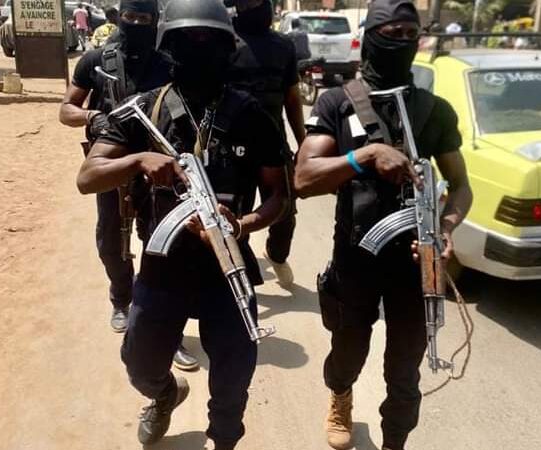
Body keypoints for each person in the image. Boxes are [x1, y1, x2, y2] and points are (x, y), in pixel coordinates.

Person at [76, 0, 288, 447]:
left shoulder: (251, 115)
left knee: (234, 376)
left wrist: (244, 224)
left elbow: (278, 197)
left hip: (227, 268)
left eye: (209, 38)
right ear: (167, 46)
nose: (199, 47)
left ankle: (224, 438)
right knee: (140, 363)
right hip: (162, 267)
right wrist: (138, 159)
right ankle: (164, 394)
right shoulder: (143, 110)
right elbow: (87, 178)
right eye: (186, 38)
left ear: (227, 47)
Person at [294, 1, 473, 449]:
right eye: (390, 31)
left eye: (410, 32)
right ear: (370, 37)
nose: (401, 40)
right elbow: (303, 177)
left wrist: (446, 228)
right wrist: (363, 156)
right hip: (356, 255)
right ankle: (341, 395)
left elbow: (461, 186)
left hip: (415, 262)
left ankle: (395, 440)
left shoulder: (434, 110)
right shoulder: (337, 101)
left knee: (404, 367)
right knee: (348, 349)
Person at [59, 0, 199, 371]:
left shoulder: (169, 62)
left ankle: (169, 334)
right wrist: (94, 117)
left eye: (146, 18)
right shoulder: (96, 60)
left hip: (160, 170)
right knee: (111, 243)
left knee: (163, 248)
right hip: (113, 165)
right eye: (130, 17)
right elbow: (66, 110)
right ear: (119, 16)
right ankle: (121, 298)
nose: (137, 24)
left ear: (156, 21)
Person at [228, 0, 305, 287]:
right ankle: (239, 282)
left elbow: (293, 99)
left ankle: (275, 254)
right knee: (237, 217)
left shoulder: (283, 46)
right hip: (233, 148)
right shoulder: (224, 39)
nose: (254, 6)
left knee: (285, 215)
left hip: (274, 145)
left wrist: (303, 144)